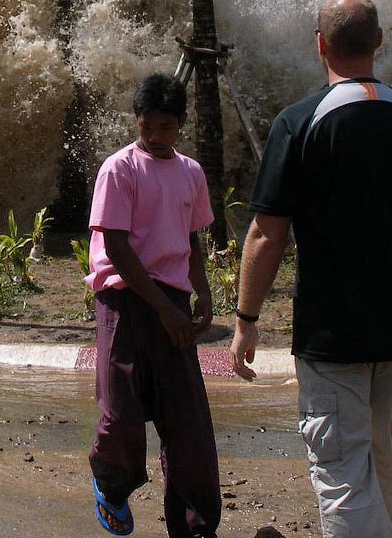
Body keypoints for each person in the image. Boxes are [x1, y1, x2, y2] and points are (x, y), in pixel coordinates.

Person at [231, 0, 392, 538]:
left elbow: (266, 233)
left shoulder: (300, 122)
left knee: (341, 470)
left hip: (333, 332)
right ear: (379, 41)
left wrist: (246, 319)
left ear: (320, 45)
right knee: (378, 455)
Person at [85, 73, 220, 538]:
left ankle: (195, 525)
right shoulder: (119, 170)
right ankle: (112, 484)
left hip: (174, 301)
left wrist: (200, 291)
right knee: (120, 413)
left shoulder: (191, 172)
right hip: (124, 301)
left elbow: (192, 238)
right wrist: (165, 309)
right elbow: (118, 248)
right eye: (147, 127)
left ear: (181, 124)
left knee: (188, 426)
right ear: (137, 122)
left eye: (165, 128)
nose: (155, 137)